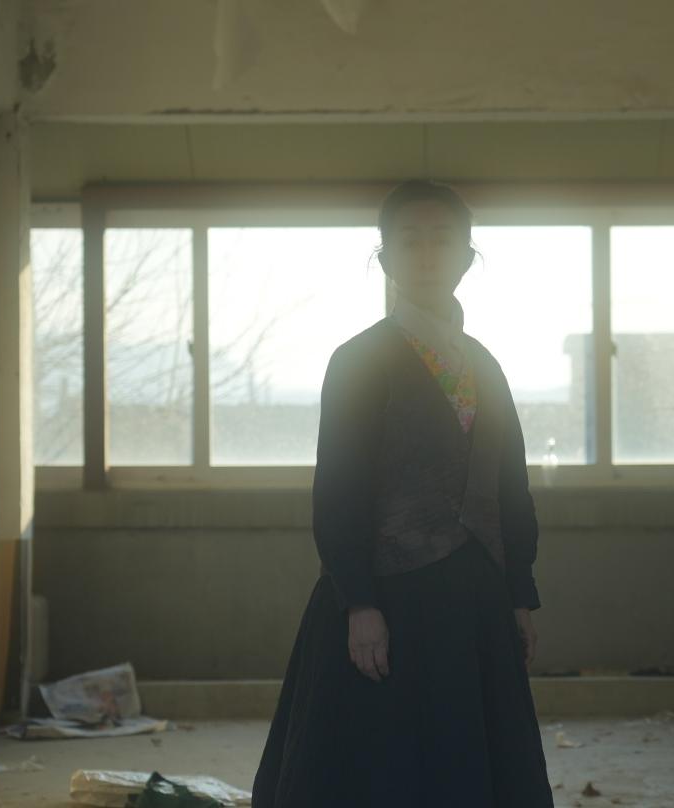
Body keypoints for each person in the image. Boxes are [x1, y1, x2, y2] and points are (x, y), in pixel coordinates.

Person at [251, 180, 554, 808]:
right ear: (385, 257)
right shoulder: (359, 360)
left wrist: (519, 593)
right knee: (380, 767)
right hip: (389, 596)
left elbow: (509, 484)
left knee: (471, 766)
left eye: (443, 238)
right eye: (409, 240)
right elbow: (339, 489)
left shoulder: (484, 364)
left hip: (475, 599)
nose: (427, 254)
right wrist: (359, 603)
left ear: (467, 255)